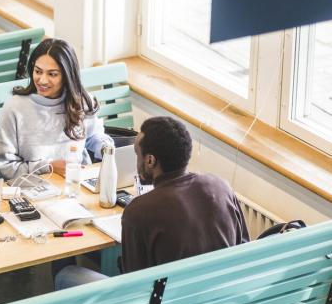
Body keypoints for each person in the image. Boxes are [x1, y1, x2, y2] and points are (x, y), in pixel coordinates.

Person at [54, 116, 250, 289]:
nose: (136, 161)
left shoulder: (139, 211)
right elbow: (243, 247)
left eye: (137, 154)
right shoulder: (221, 187)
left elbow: (134, 285)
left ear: (150, 161)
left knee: (67, 274)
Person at [0, 38, 113, 181]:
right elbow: (6, 168)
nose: (42, 80)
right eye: (38, 71)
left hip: (78, 184)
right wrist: (49, 167)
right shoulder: (14, 108)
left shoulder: (82, 101)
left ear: (67, 76)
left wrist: (106, 149)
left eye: (52, 74)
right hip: (34, 188)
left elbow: (93, 136)